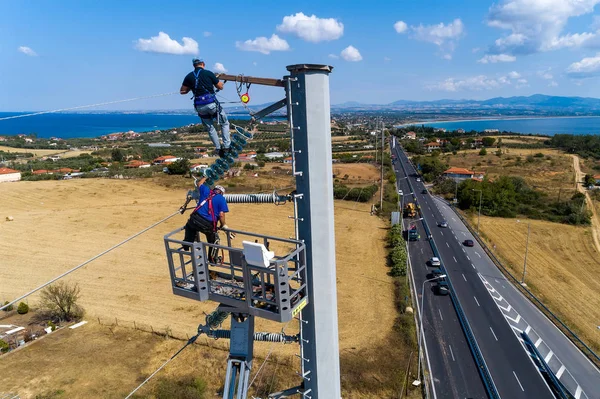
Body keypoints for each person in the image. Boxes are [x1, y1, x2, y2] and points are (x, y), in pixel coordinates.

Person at [180, 58, 231, 157]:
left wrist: (191, 87)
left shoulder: (189, 76)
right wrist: (218, 82)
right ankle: (227, 146)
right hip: (212, 104)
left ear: (193, 66)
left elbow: (182, 91)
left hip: (200, 106)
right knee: (224, 123)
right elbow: (220, 87)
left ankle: (218, 148)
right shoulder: (208, 73)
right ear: (203, 64)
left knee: (210, 128)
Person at [183, 176, 232, 262]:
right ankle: (212, 259)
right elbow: (221, 214)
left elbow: (199, 184)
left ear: (214, 189)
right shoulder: (221, 199)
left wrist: (205, 177)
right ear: (222, 193)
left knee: (190, 227)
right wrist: (223, 225)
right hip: (207, 224)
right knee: (214, 240)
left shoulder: (206, 191)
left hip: (195, 218)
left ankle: (187, 245)